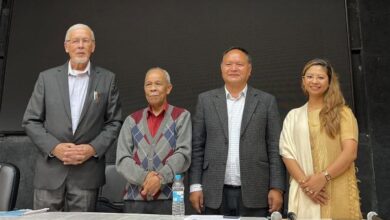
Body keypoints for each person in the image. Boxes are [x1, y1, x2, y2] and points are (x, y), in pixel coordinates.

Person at [22, 23, 122, 211]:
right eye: (75, 41)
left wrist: (92, 149)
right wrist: (55, 147)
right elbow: (30, 120)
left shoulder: (107, 80)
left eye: (86, 41)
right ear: (66, 46)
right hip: (50, 171)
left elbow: (114, 122)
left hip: (86, 173)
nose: (81, 45)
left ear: (93, 46)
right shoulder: (47, 78)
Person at [189, 47, 286, 217]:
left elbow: (274, 147)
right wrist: (195, 185)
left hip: (256, 191)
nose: (233, 68)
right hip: (213, 192)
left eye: (239, 64)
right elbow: (197, 146)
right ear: (221, 68)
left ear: (249, 69)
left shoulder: (266, 101)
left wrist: (277, 187)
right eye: (229, 64)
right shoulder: (205, 100)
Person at [279, 58, 362, 219]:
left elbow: (350, 153)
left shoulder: (343, 113)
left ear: (329, 81)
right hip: (306, 192)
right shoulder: (293, 116)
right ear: (303, 80)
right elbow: (287, 153)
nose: (314, 81)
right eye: (310, 76)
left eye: (320, 77)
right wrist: (309, 186)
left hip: (338, 191)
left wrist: (323, 177)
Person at [116, 67, 191, 214]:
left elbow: (183, 154)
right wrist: (146, 178)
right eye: (148, 84)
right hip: (135, 199)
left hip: (170, 199)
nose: (153, 88)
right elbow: (122, 159)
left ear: (168, 88)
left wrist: (160, 178)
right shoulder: (132, 120)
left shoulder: (181, 116)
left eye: (158, 83)